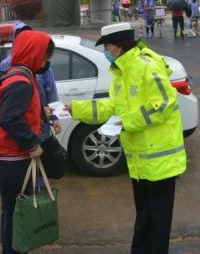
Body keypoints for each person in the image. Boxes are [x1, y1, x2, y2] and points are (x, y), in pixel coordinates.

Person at [65, 23, 186, 254]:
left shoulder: (146, 67)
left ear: (119, 46)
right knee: (144, 217)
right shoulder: (122, 72)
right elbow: (111, 107)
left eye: (107, 46)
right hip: (140, 161)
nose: (106, 52)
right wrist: (74, 109)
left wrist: (126, 121)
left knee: (157, 222)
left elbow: (163, 104)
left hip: (160, 162)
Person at [0, 30, 55, 254]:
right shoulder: (20, 81)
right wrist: (32, 145)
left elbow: (18, 111)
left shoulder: (21, 73)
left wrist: (41, 112)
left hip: (7, 156)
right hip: (9, 157)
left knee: (13, 209)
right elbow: (10, 118)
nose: (46, 62)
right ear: (33, 53)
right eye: (45, 56)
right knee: (16, 210)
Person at [0, 22, 64, 178]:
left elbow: (50, 91)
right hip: (23, 135)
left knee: (41, 167)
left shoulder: (36, 67)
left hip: (40, 128)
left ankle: (36, 189)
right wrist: (32, 144)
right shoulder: (10, 68)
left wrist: (54, 117)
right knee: (26, 172)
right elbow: (8, 112)